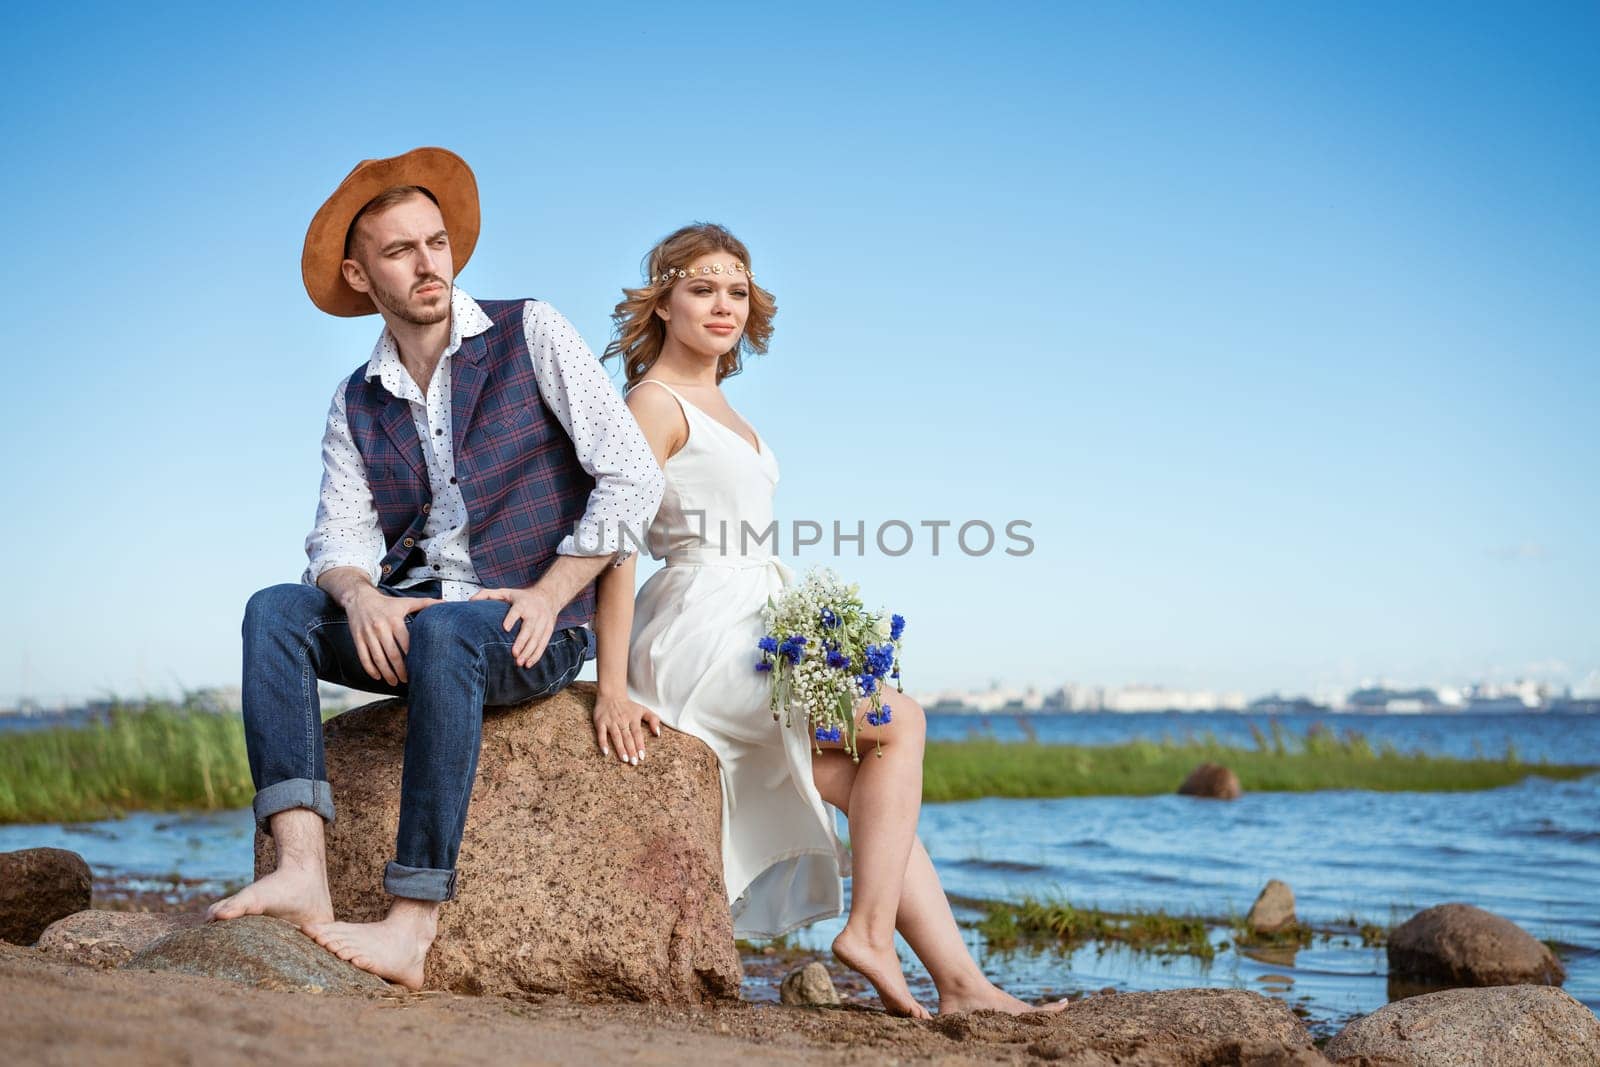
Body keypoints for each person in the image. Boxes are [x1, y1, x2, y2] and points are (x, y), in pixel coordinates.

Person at [207, 147, 665, 990]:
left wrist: (553, 587)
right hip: (418, 616)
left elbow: (634, 477)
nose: (429, 265)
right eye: (400, 251)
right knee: (275, 609)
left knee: (453, 629)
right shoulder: (356, 396)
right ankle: (302, 865)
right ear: (359, 274)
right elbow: (335, 541)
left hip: (531, 621)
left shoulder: (531, 329)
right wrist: (362, 596)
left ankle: (412, 923)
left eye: (437, 243)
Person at [591, 222, 1063, 1017]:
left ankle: (961, 984)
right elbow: (614, 545)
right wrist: (609, 687)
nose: (723, 305)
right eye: (701, 288)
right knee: (901, 722)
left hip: (753, 618)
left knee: (876, 793)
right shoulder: (652, 401)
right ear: (663, 302)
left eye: (736, 291)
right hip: (699, 628)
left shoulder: (723, 403)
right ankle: (868, 934)